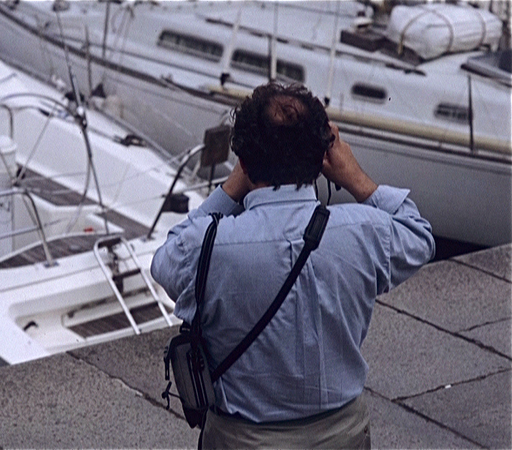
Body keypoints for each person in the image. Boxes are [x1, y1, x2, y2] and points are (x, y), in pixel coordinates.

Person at [151, 82, 435, 449]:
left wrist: (231, 188)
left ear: (245, 162)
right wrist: (355, 177)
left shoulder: (207, 244)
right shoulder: (365, 229)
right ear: (322, 157)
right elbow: (420, 236)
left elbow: (165, 260)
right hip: (341, 435)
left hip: (243, 439)